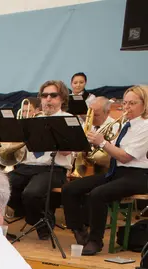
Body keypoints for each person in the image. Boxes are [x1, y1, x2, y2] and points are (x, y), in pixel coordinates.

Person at [62, 85, 148, 256]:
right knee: (70, 189)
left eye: (132, 103)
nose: (126, 107)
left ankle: (95, 241)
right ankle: (79, 231)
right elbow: (114, 155)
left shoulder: (145, 126)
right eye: (125, 103)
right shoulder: (126, 124)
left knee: (98, 194)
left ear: (144, 105)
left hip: (139, 175)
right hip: (117, 172)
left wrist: (102, 142)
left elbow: (125, 157)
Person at [6, 80, 73, 239]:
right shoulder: (33, 120)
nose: (48, 99)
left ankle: (41, 223)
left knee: (32, 193)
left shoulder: (68, 119)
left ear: (62, 99)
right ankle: (38, 218)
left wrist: (52, 134)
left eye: (53, 95)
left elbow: (66, 152)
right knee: (0, 188)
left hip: (53, 168)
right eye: (44, 96)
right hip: (27, 166)